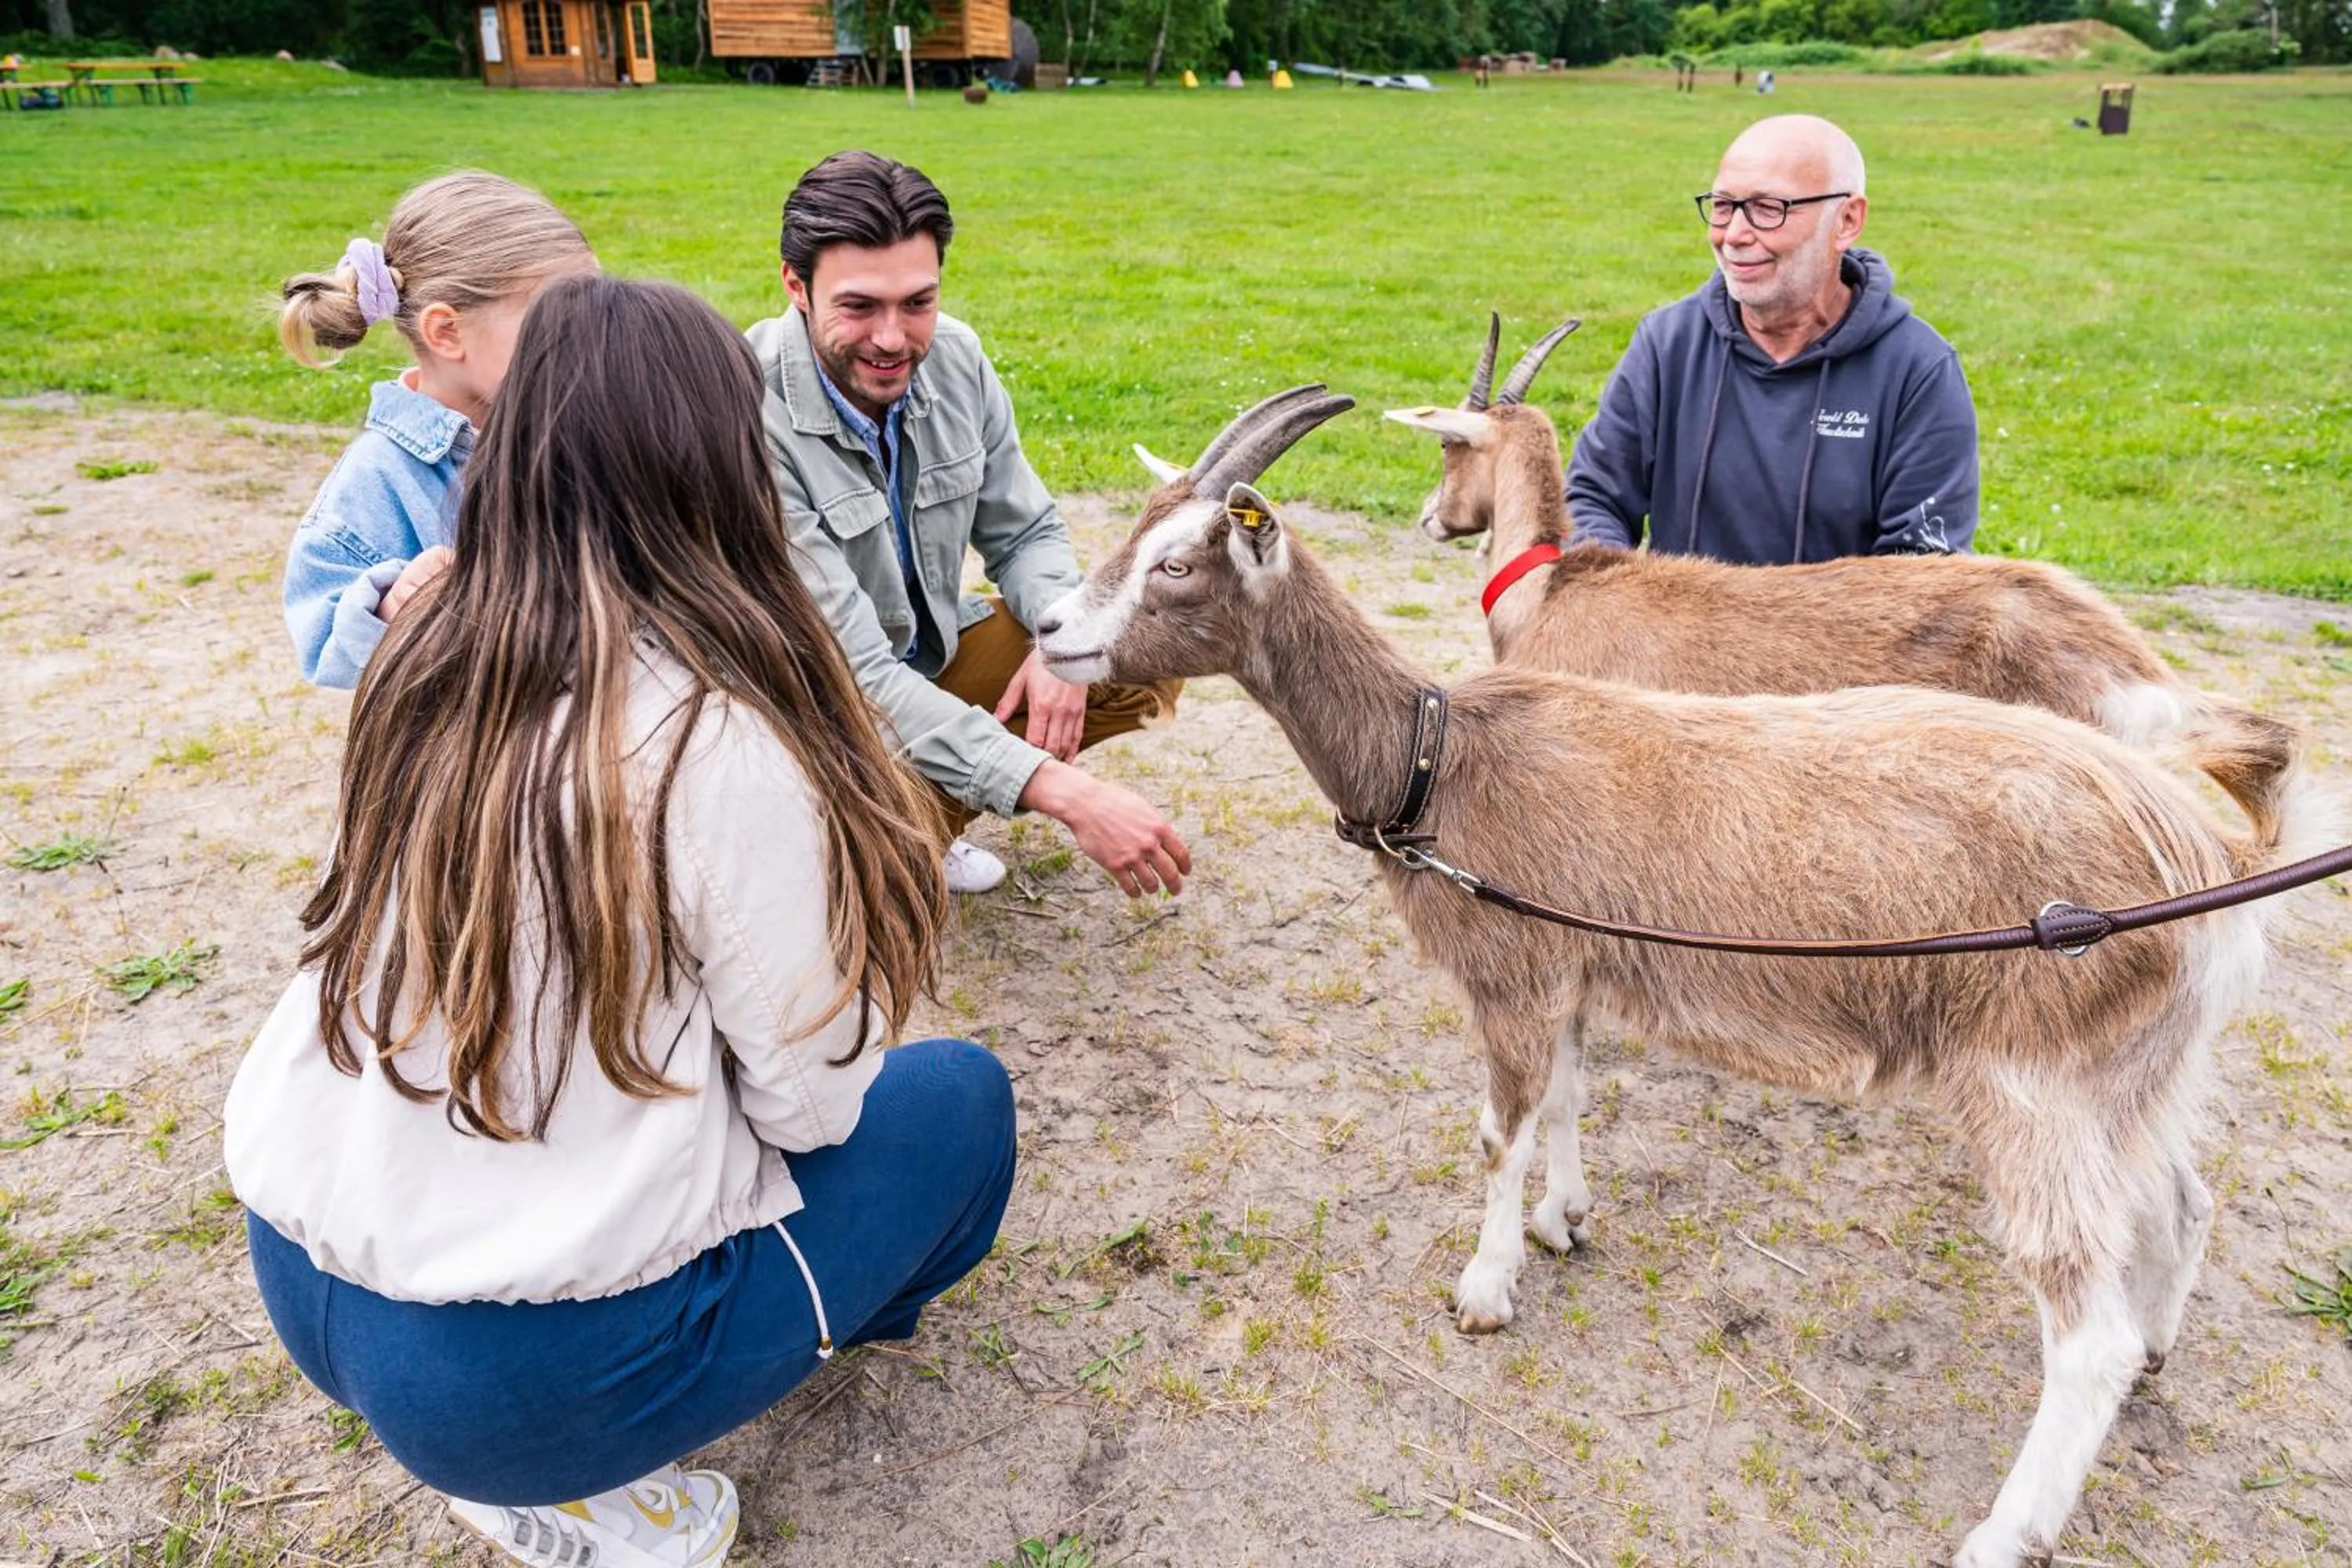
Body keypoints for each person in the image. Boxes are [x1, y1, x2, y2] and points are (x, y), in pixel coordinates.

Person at [226, 275, 1018, 1568]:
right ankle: (602, 1462)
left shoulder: (422, 654)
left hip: (301, 1266)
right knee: (960, 1107)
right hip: (515, 1379)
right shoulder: (717, 740)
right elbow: (814, 1105)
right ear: (723, 468)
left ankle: (575, 1421)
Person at [747, 150, 1190, 900]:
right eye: (860, 306)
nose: (894, 338)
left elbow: (1025, 534)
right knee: (845, 886)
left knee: (1136, 638)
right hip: (804, 709)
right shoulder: (741, 408)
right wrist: (1062, 790)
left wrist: (1056, 645)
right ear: (796, 285)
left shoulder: (954, 356)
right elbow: (852, 673)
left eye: (917, 302)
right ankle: (864, 842)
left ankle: (917, 826)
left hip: (919, 662)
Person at [1566, 114, 1979, 565]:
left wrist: (1771, 613)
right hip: (1680, 615)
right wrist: (1611, 585)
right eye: (1723, 206)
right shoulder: (1668, 346)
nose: (1734, 236)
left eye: (1768, 208)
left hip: (1841, 618)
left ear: (1846, 221)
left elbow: (1920, 572)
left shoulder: (1918, 372)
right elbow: (1593, 498)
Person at [278, 171, 596, 688]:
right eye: (555, 321)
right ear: (447, 332)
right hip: (485, 730)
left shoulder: (579, 420)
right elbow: (326, 650)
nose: (589, 339)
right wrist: (392, 609)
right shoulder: (378, 478)